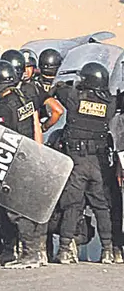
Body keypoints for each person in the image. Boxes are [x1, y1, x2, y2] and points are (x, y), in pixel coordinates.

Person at [55, 61, 116, 265]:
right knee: (102, 207)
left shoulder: (73, 98)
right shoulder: (110, 104)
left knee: (72, 205)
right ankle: (107, 249)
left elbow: (60, 89)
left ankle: (64, 249)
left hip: (78, 161)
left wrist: (71, 83)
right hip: (99, 162)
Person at [0, 60, 45, 269]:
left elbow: (6, 136)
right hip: (28, 155)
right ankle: (9, 252)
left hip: (14, 160)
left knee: (15, 209)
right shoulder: (23, 97)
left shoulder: (4, 104)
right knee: (7, 206)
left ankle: (30, 253)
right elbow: (36, 125)